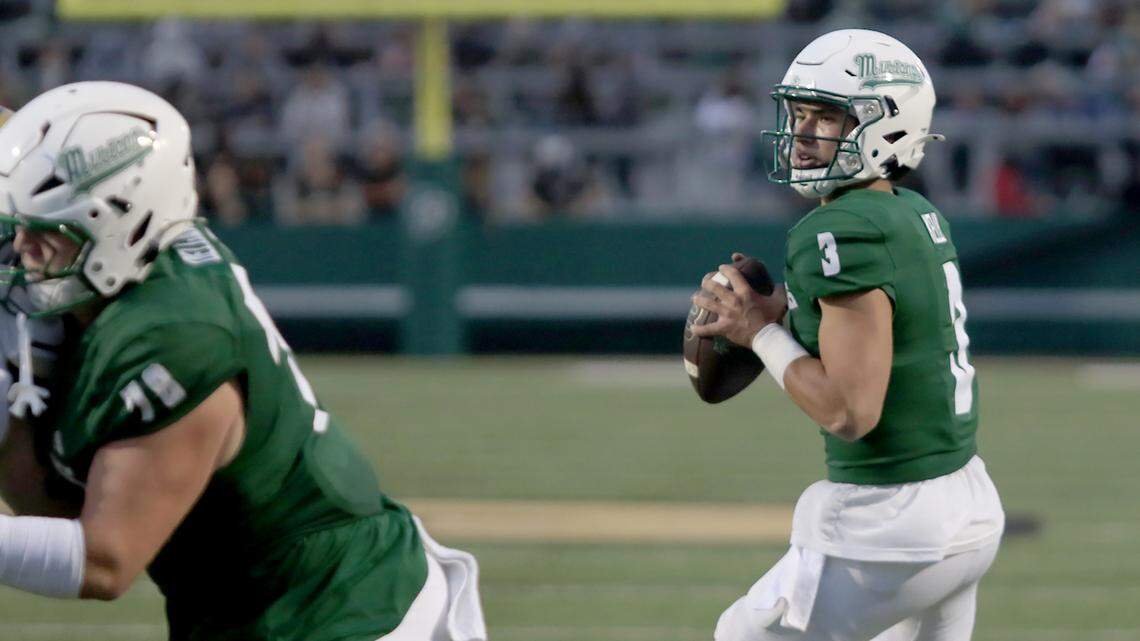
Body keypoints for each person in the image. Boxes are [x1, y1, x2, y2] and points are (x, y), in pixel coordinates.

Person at [0, 81, 486, 641]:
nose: (21, 250)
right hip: (246, 608)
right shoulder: (131, 265)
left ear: (117, 225)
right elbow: (53, 507)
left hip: (343, 612)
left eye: (45, 232)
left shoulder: (176, 338)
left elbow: (102, 560)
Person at [691, 29, 1005, 641]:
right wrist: (789, 313)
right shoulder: (914, 212)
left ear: (885, 125)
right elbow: (882, 329)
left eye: (827, 117)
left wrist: (761, 334)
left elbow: (849, 411)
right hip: (965, 501)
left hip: (892, 524)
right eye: (799, 114)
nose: (803, 134)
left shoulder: (838, 229)